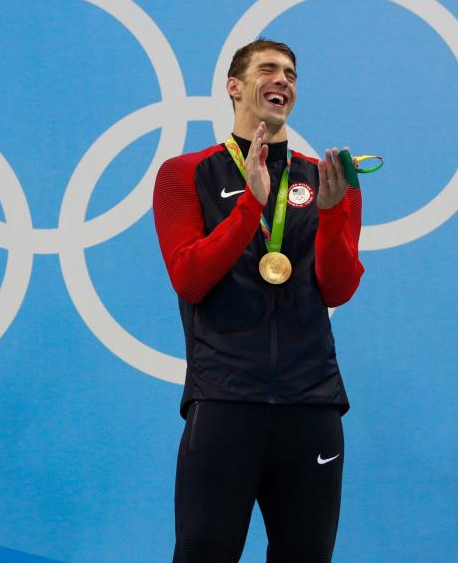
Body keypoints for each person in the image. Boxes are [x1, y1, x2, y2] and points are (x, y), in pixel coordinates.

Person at [152, 39, 363, 562]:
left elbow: (338, 287)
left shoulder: (328, 180)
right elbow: (190, 278)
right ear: (234, 87)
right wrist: (251, 204)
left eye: (291, 73)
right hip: (225, 402)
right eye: (268, 69)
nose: (283, 80)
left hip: (311, 404)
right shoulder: (184, 174)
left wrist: (335, 213)